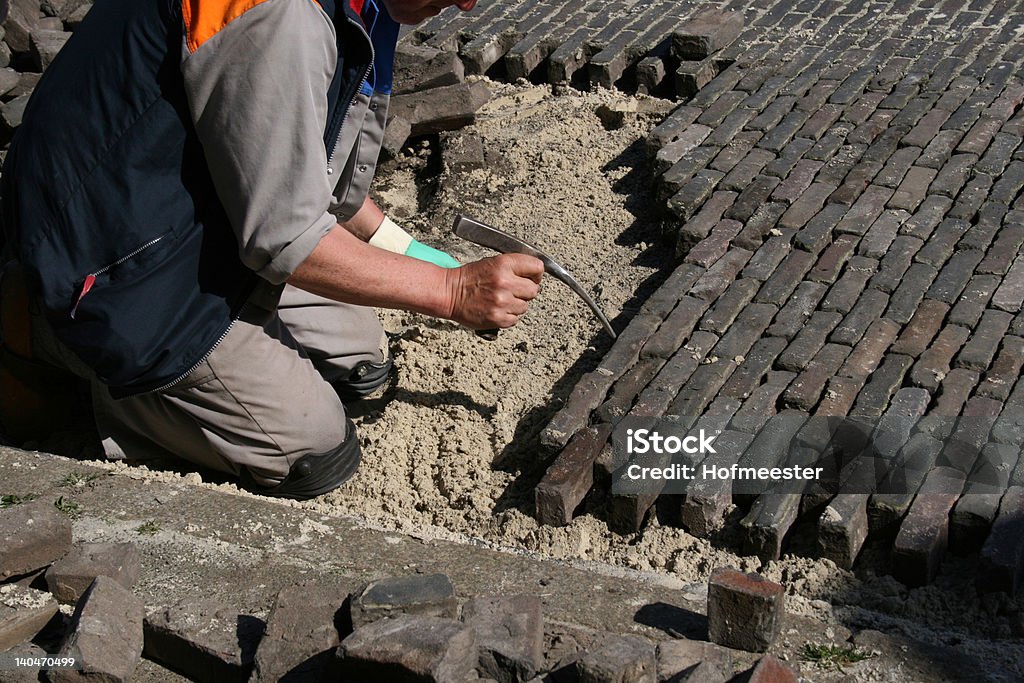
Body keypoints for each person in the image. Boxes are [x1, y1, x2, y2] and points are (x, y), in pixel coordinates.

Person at [0, 0, 544, 499]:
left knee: (362, 367)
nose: (470, 3)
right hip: (113, 258)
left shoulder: (365, 7)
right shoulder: (281, 14)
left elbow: (317, 180)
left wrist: (419, 256)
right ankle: (44, 333)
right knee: (313, 454)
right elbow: (285, 238)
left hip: (201, 220)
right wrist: (452, 291)